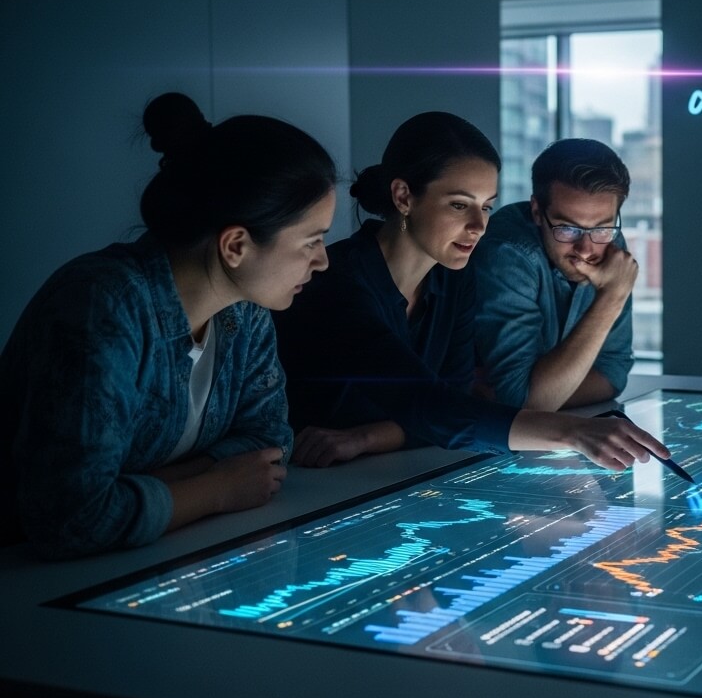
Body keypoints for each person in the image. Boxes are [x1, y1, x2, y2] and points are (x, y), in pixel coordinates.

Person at [0, 93, 336, 559]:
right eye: (312, 242)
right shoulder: (103, 305)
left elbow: (270, 444)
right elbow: (69, 515)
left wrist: (140, 489)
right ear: (235, 245)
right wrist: (214, 489)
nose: (322, 261)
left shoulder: (246, 310)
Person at [274, 114, 664, 470]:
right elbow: (433, 406)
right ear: (403, 197)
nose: (479, 226)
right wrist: (570, 432)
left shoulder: (452, 279)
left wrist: (367, 438)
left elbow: (454, 401)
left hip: (370, 474)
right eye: (460, 205)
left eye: (487, 207)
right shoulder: (338, 282)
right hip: (299, 482)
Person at [470, 138, 636, 411]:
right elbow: (525, 402)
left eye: (602, 227)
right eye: (567, 228)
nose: (586, 249)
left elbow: (614, 373)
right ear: (537, 211)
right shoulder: (508, 252)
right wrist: (611, 298)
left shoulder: (609, 243)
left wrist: (544, 395)